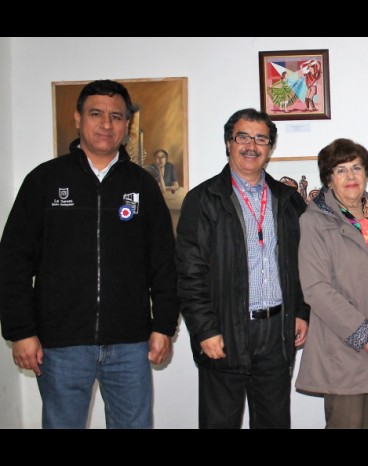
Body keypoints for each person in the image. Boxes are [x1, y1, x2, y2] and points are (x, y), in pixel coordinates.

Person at [0, 80, 178, 429]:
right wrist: (20, 331)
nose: (106, 124)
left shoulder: (142, 185)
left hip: (130, 344)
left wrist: (163, 326)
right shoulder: (45, 180)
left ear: (127, 125)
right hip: (60, 344)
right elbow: (13, 261)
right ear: (78, 118)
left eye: (116, 116)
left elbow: (164, 262)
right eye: (96, 114)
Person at [175, 108, 309, 429]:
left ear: (270, 147)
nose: (252, 145)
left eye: (261, 138)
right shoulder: (204, 199)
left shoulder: (289, 200)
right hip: (224, 331)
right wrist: (204, 330)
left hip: (277, 333)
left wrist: (302, 310)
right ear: (228, 143)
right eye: (243, 137)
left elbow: (305, 261)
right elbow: (188, 272)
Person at [296, 138, 368, 428]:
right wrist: (364, 335)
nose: (351, 176)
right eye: (340, 170)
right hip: (344, 340)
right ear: (329, 178)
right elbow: (316, 289)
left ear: (367, 172)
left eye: (357, 167)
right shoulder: (315, 222)